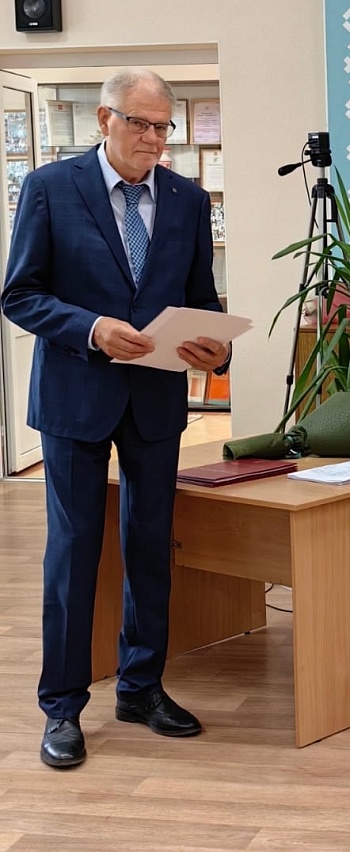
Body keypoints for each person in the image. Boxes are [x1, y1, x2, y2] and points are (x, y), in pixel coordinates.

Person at [1, 67, 230, 769]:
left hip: (156, 398)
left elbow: (201, 298)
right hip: (75, 396)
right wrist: (93, 329)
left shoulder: (188, 201)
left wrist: (215, 344)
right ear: (105, 120)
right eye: (141, 123)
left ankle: (141, 687)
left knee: (150, 543)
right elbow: (20, 295)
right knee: (75, 551)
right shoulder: (49, 189)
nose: (155, 139)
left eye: (163, 127)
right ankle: (62, 707)